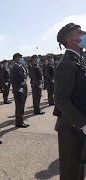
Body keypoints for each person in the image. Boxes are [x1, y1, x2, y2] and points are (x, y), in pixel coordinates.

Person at [55, 23, 86, 180]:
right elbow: (61, 99)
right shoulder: (67, 63)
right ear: (70, 39)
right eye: (79, 32)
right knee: (71, 172)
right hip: (71, 127)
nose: (84, 33)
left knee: (80, 170)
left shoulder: (79, 60)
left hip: (78, 124)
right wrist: (82, 124)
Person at [10, 53, 30, 128]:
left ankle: (21, 120)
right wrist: (18, 88)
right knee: (19, 106)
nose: (20, 59)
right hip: (18, 89)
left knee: (22, 105)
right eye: (19, 57)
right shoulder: (14, 67)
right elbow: (13, 79)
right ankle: (19, 122)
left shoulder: (20, 66)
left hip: (23, 87)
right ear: (15, 58)